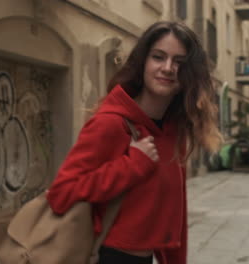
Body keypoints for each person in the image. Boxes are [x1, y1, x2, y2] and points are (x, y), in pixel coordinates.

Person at [46, 21, 221, 264]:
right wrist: (131, 166)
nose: (168, 68)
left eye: (179, 62)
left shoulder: (173, 132)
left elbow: (175, 216)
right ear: (143, 63)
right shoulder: (111, 123)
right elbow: (61, 194)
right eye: (158, 57)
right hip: (104, 257)